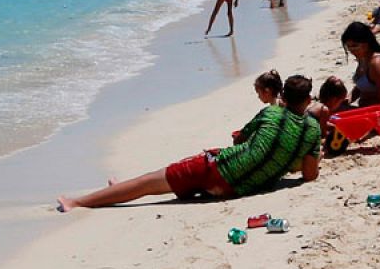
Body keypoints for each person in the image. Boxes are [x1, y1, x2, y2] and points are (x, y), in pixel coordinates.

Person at [57, 72, 321, 210]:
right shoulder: (312, 130)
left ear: (283, 96)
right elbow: (309, 176)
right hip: (238, 189)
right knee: (163, 180)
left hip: (220, 171)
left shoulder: (270, 112)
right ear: (308, 100)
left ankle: (78, 202)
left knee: (148, 183)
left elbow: (240, 139)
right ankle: (122, 187)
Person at [342, 21, 380, 108]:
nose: (352, 50)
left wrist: (378, 116)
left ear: (366, 43)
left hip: (373, 114)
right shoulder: (362, 58)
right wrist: (350, 97)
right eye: (349, 47)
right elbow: (362, 86)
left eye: (355, 46)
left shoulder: (376, 63)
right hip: (364, 108)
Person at [308, 76, 351, 154]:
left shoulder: (316, 105)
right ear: (334, 100)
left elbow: (322, 123)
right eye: (340, 102)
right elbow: (323, 133)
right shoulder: (324, 110)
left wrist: (335, 127)